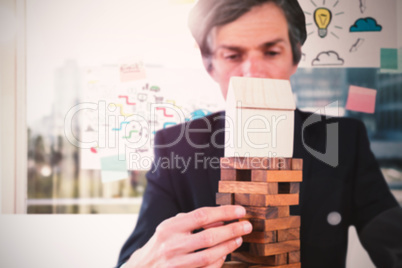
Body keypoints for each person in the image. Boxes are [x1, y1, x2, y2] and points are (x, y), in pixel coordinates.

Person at [117, 0, 402, 267]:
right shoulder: (176, 147)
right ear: (210, 66)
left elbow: (391, 237)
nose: (253, 73)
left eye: (271, 52)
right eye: (232, 55)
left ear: (295, 57)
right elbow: (136, 256)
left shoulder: (343, 139)